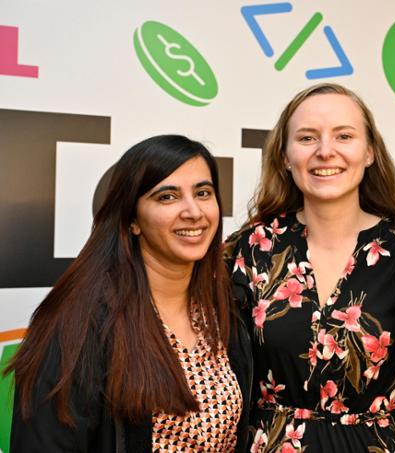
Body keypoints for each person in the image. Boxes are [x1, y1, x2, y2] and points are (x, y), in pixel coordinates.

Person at [6, 135, 252, 452]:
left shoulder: (226, 309)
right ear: (132, 219)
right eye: (167, 197)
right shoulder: (80, 325)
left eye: (203, 193)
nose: (193, 211)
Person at [225, 83, 395, 452]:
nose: (325, 152)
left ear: (370, 152)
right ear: (284, 156)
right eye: (307, 137)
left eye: (344, 136)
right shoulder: (248, 250)